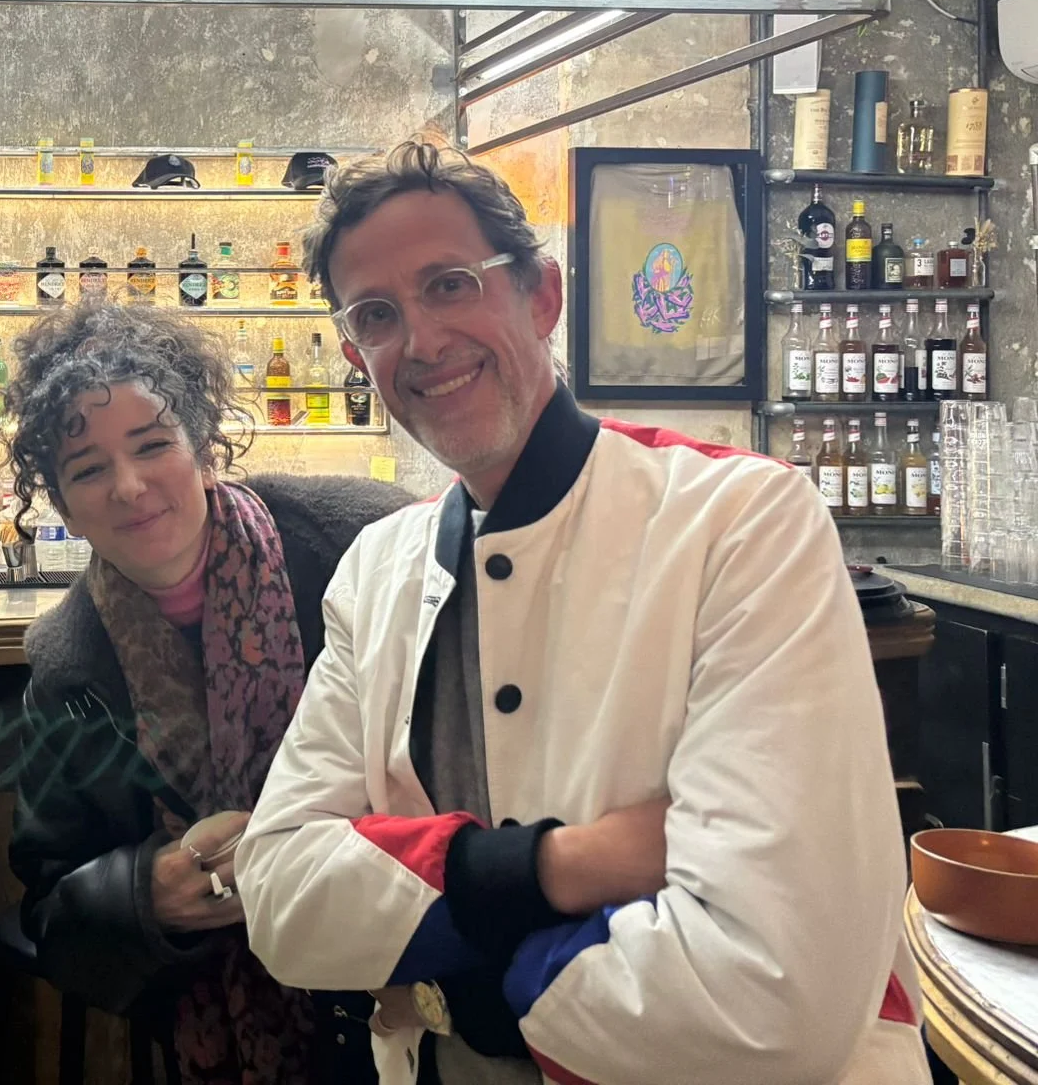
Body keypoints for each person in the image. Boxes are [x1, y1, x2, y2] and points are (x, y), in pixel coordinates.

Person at [234, 141, 930, 1085]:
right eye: (379, 315)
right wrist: (560, 867)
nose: (423, 342)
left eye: (449, 285)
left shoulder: (739, 520)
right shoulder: (375, 571)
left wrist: (467, 984)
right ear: (358, 355)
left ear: (543, 297)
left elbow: (770, 999)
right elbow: (280, 896)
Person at [4, 301, 408, 1085]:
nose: (129, 487)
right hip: (217, 1017)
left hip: (411, 979)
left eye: (152, 445)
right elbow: (51, 892)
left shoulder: (362, 539)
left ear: (205, 449)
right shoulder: (65, 664)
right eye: (88, 469)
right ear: (63, 508)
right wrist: (144, 896)